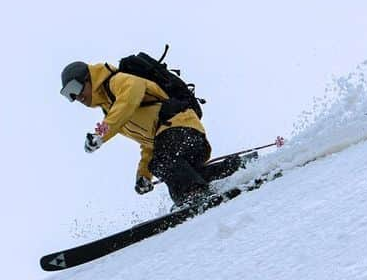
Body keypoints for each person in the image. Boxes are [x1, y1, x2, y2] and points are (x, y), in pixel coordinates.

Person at [60, 60, 243, 209]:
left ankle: (193, 197)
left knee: (164, 162)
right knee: (191, 174)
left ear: (89, 78)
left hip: (182, 128)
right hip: (181, 139)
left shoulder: (117, 82)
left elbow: (129, 99)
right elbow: (149, 142)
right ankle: (240, 169)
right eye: (69, 95)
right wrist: (144, 175)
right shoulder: (112, 111)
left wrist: (103, 134)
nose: (77, 97)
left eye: (74, 88)